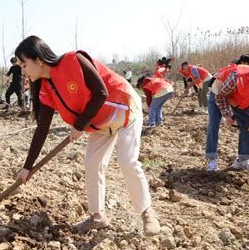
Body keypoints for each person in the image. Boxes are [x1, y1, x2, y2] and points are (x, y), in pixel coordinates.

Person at [14, 36, 160, 236]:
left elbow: (101, 92)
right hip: (99, 123)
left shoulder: (73, 61)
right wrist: (27, 167)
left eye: (24, 65)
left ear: (38, 60)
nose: (23, 71)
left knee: (127, 161)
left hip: (124, 109)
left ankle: (146, 212)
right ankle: (98, 217)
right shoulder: (45, 90)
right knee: (92, 163)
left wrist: (79, 124)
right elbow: (42, 129)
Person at [205, 56, 249, 171]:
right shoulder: (238, 78)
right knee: (214, 124)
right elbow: (221, 96)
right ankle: (211, 159)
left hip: (240, 99)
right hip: (219, 92)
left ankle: (243, 160)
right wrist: (227, 114)